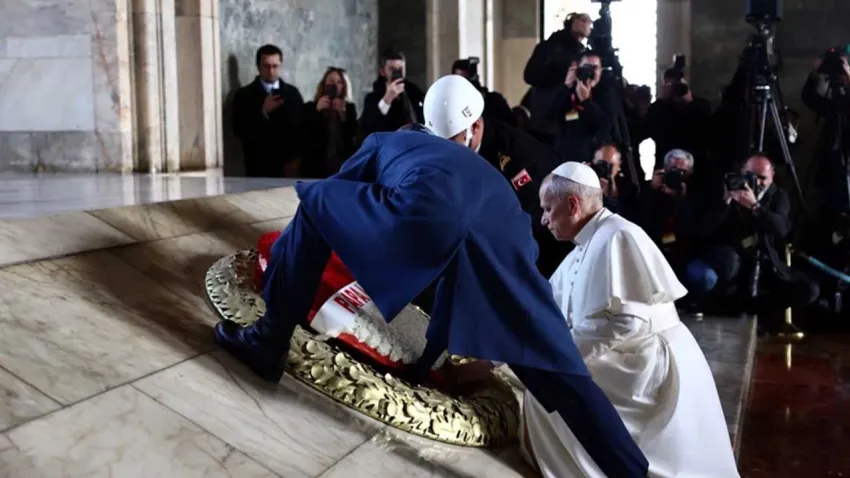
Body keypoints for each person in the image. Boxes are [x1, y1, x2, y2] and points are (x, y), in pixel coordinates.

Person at [214, 127, 649, 478]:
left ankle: (268, 342)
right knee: (553, 362)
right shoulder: (460, 160)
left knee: (316, 201)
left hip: (430, 211)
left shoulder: (381, 142)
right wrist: (424, 368)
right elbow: (452, 283)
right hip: (504, 228)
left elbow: (340, 195)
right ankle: (630, 469)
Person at [532, 162, 738, 477]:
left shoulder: (618, 236)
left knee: (545, 394)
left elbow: (627, 322)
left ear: (573, 205)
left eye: (548, 208)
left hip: (648, 363)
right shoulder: (583, 245)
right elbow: (549, 305)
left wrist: (563, 353)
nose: (544, 219)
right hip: (623, 354)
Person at [423, 74, 571, 278]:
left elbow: (528, 225)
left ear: (474, 127)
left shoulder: (518, 158)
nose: (444, 151)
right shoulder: (452, 147)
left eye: (450, 141)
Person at [231, 44, 305, 177]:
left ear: (280, 66)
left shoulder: (293, 94)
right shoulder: (244, 95)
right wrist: (263, 112)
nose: (271, 71)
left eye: (275, 66)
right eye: (266, 66)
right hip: (258, 167)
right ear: (258, 67)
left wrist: (298, 161)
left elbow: (302, 129)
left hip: (289, 168)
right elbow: (238, 130)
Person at [301, 67, 358, 178]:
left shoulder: (350, 108)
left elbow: (352, 138)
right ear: (324, 84)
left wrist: (343, 115)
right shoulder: (310, 107)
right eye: (331, 81)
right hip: (316, 165)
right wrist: (316, 112)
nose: (335, 85)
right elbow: (305, 136)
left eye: (339, 82)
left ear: (344, 86)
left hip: (342, 164)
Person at [359, 49, 426, 138]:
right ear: (382, 71)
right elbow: (369, 127)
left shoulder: (414, 93)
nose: (397, 73)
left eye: (400, 69)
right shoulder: (372, 98)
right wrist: (387, 99)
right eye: (392, 69)